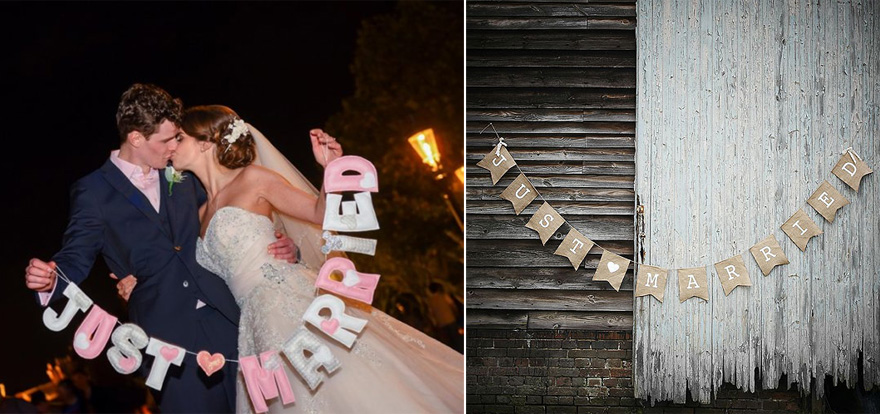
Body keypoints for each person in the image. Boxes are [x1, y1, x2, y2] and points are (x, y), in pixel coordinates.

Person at [23, 84, 298, 413]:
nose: (175, 146)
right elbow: (75, 253)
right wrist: (52, 278)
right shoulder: (92, 192)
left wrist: (280, 240)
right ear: (136, 138)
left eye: (177, 137)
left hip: (232, 319)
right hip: (168, 340)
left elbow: (231, 210)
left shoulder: (185, 173)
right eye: (166, 140)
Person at [170, 104, 464, 413]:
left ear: (204, 142)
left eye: (180, 137)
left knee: (347, 388)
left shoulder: (254, 179)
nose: (172, 145)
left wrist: (330, 170)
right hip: (253, 325)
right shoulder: (199, 214)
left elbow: (319, 213)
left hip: (293, 304)